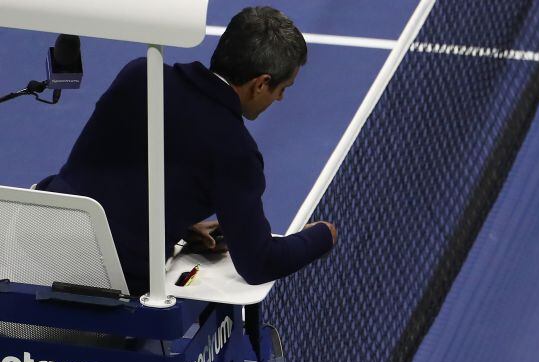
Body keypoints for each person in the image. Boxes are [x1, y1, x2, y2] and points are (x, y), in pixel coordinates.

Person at [38, 6, 337, 295]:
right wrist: (323, 235)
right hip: (105, 280)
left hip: (35, 241)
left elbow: (121, 172)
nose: (281, 99)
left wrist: (176, 223)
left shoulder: (139, 74)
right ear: (260, 84)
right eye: (283, 88)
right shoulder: (235, 150)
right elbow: (260, 262)